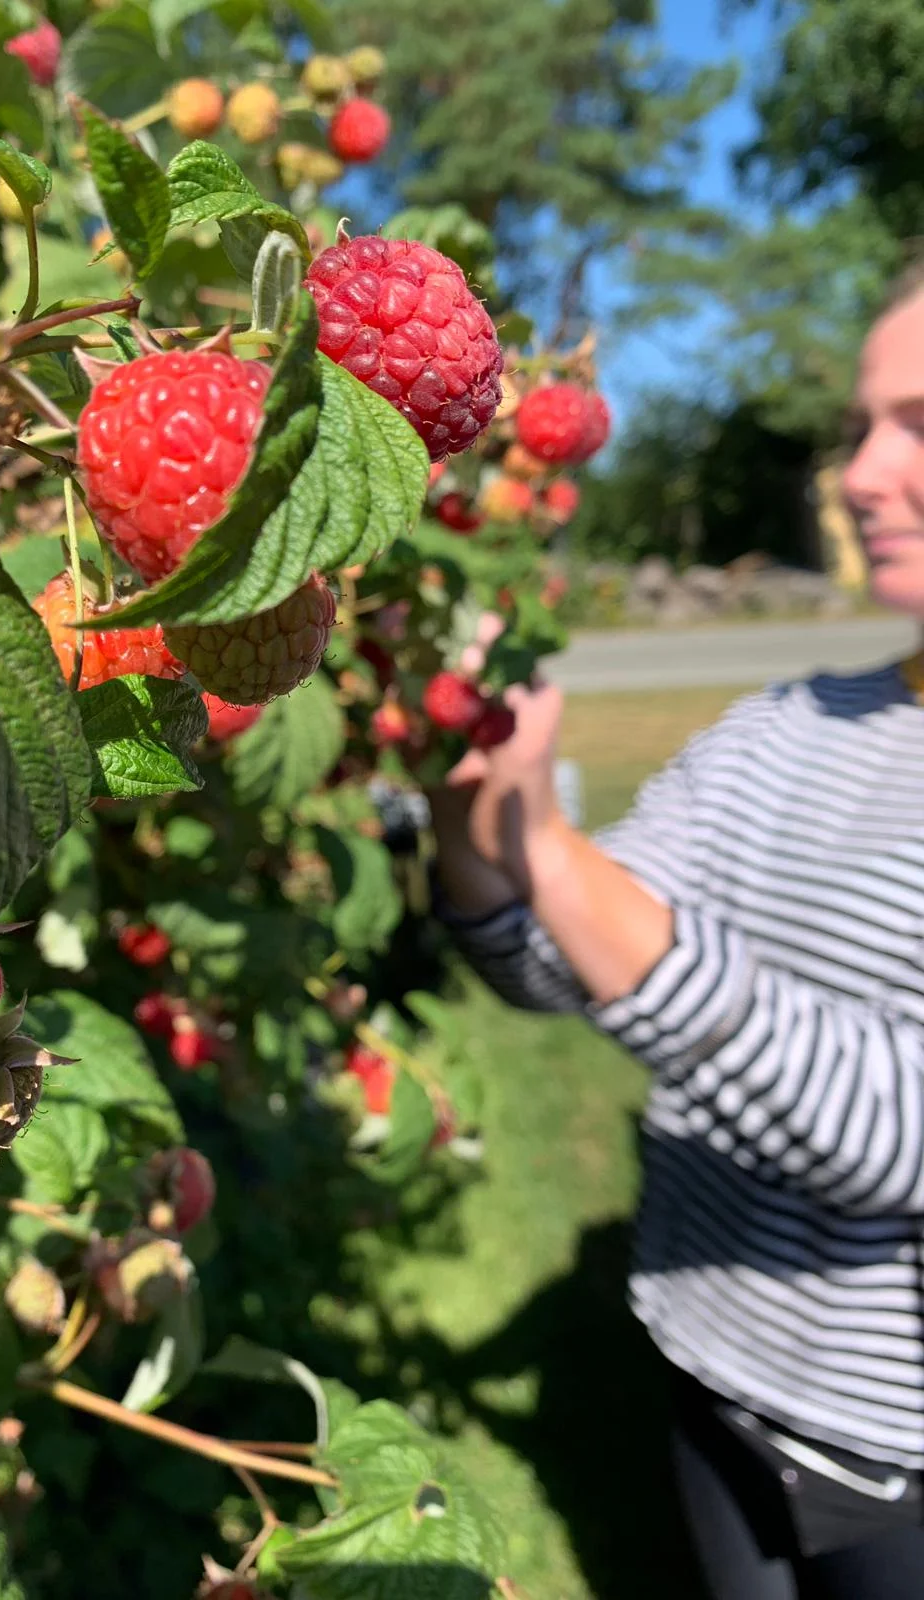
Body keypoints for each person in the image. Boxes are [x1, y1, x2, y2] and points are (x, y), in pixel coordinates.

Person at [430, 267, 924, 1600]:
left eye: (920, 425)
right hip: (706, 1358)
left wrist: (554, 855)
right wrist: (476, 816)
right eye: (863, 425)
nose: (864, 472)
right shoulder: (790, 722)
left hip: (894, 1455)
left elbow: (896, 1132)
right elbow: (550, 967)